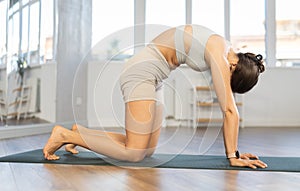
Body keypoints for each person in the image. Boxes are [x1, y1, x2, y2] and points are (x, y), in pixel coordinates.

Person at [43, 24, 267, 169]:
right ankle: (63, 135)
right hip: (141, 71)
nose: (225, 83)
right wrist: (233, 156)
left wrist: (234, 153)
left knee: (146, 150)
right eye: (231, 80)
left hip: (156, 77)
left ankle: (79, 134)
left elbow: (228, 106)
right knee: (133, 153)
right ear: (234, 65)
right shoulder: (219, 54)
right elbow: (229, 109)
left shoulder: (221, 47)